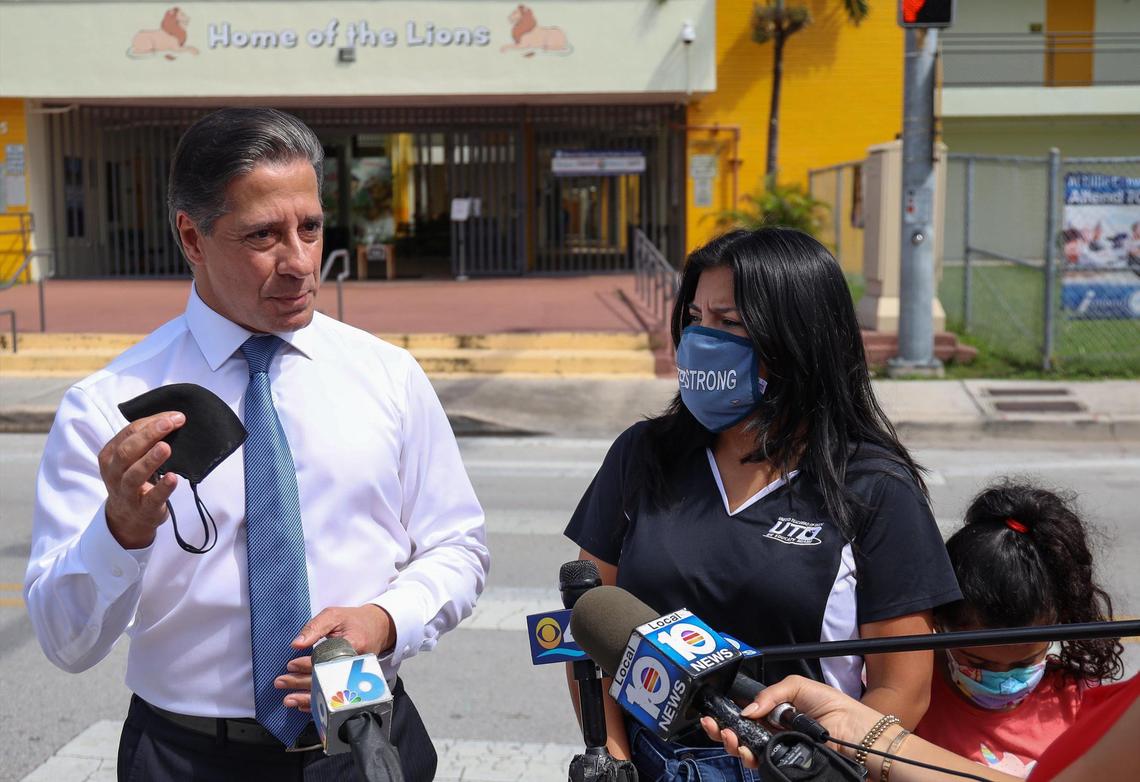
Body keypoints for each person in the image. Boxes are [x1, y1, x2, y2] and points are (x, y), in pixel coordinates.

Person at [24, 108, 490, 781]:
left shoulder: (387, 376)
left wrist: (385, 619)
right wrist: (119, 530)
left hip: (368, 746)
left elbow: (459, 546)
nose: (300, 262)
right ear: (192, 236)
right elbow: (66, 641)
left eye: (311, 228)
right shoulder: (109, 407)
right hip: (185, 758)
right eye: (264, 235)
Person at [564, 228, 962, 781]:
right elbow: (589, 622)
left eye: (728, 323)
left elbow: (904, 688)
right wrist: (615, 758)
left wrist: (822, 763)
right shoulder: (643, 454)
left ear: (799, 338)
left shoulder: (875, 486)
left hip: (798, 767)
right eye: (696, 318)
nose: (702, 340)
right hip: (650, 762)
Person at [914, 481, 1124, 777]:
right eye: (977, 663)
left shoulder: (1077, 700)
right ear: (939, 623)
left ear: (1058, 625)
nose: (1002, 681)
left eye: (1025, 663)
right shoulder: (911, 691)